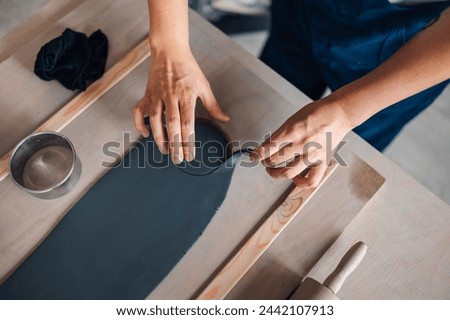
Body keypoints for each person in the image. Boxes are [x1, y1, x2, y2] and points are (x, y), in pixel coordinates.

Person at [134, 0, 450, 190]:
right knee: (269, 106)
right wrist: (170, 44)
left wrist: (345, 112)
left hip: (408, 50)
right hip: (305, 10)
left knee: (335, 149)